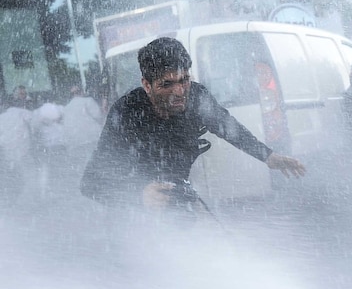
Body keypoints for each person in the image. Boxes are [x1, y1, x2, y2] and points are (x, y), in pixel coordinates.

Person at [81, 37, 305, 210]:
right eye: (166, 84)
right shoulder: (127, 112)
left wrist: (268, 156)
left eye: (184, 80)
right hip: (133, 211)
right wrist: (138, 194)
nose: (179, 92)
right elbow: (91, 182)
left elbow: (228, 127)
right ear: (147, 85)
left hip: (178, 195)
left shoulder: (196, 97)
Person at [63, 85, 104, 172]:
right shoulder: (88, 101)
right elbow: (98, 116)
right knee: (94, 162)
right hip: (90, 138)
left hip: (74, 141)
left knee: (81, 166)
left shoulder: (66, 108)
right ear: (81, 92)